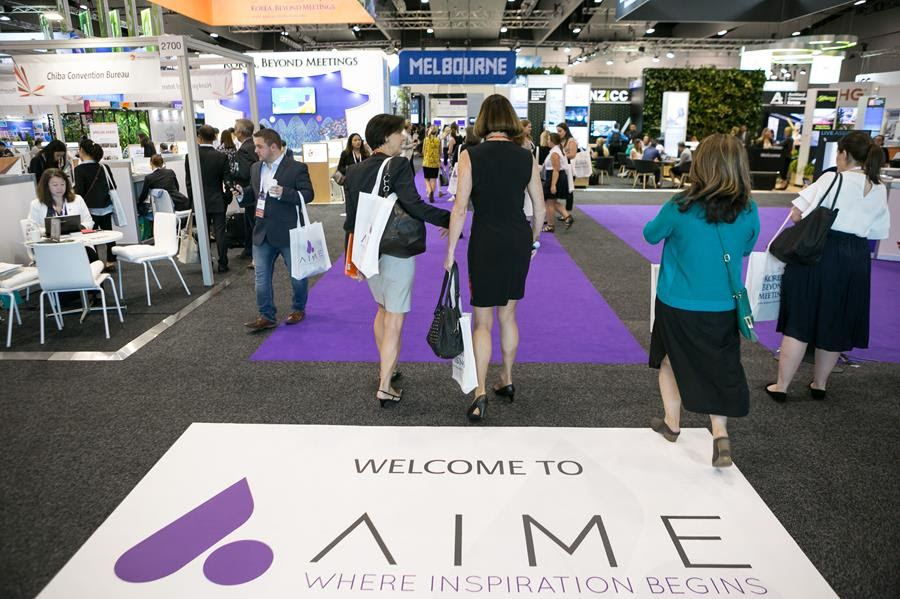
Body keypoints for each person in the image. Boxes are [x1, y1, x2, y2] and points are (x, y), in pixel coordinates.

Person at [643, 133, 761, 468]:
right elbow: (746, 248)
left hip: (676, 303)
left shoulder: (680, 205)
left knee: (668, 361)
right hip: (722, 306)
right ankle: (720, 434)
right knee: (719, 367)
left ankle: (672, 424)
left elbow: (650, 235)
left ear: (701, 164)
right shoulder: (748, 209)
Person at [766, 131, 890, 403]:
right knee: (837, 319)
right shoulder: (879, 186)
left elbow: (796, 214)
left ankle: (782, 386)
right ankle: (819, 384)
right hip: (856, 257)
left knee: (800, 319)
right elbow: (879, 230)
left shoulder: (832, 178)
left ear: (844, 154)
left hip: (820, 252)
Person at [443, 94, 546, 422]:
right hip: (517, 239)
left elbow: (460, 208)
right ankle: (507, 378)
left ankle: (480, 392)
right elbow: (540, 208)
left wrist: (450, 253)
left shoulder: (469, 155)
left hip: (485, 240)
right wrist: (532, 241)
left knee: (483, 321)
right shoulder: (526, 156)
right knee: (509, 315)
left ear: (483, 121)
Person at [343, 114, 450, 406]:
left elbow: (351, 220)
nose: (403, 137)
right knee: (395, 317)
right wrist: (449, 218)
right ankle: (385, 385)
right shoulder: (398, 164)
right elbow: (414, 205)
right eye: (399, 132)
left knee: (382, 309)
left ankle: (386, 369)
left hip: (367, 252)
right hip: (396, 249)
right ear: (386, 136)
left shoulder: (354, 171)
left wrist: (353, 258)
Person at [233, 128, 314, 331]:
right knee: (261, 277)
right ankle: (266, 315)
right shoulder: (255, 168)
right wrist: (243, 194)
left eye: (259, 146)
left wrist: (285, 193)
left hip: (289, 231)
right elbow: (256, 193)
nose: (256, 150)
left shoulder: (296, 168)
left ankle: (298, 309)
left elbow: (308, 194)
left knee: (297, 275)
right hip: (262, 231)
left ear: (274, 147)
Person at [185, 125, 230, 273]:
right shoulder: (221, 156)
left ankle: (207, 261)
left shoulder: (191, 156)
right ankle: (223, 263)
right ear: (214, 137)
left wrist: (192, 201)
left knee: (203, 232)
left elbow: (189, 183)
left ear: (199, 137)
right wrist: (226, 198)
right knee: (220, 232)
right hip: (217, 199)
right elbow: (227, 181)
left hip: (199, 200)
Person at [73, 139, 118, 268]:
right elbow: (112, 186)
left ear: (82, 150)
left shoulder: (79, 169)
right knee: (108, 235)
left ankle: (96, 263)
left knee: (90, 237)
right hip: (106, 206)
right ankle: (110, 261)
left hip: (90, 209)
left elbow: (79, 192)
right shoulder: (104, 167)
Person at [232, 118, 258, 263]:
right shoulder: (254, 146)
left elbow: (244, 173)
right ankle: (249, 250)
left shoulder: (244, 150)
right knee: (251, 222)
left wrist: (233, 175)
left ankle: (254, 254)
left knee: (252, 223)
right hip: (256, 190)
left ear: (240, 132)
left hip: (248, 192)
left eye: (235, 129)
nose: (234, 131)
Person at [542, 133, 575, 232]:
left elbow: (556, 170)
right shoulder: (557, 150)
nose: (547, 141)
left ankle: (550, 225)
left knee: (549, 202)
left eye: (548, 139)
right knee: (551, 202)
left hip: (554, 177)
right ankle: (567, 217)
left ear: (552, 141)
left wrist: (553, 185)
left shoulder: (555, 152)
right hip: (556, 177)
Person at [556, 123, 578, 213]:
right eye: (557, 131)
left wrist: (561, 156)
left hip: (569, 168)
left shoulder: (571, 141)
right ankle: (564, 212)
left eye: (560, 131)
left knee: (569, 190)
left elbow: (572, 155)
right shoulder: (561, 141)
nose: (558, 133)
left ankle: (568, 213)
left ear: (565, 131)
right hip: (562, 167)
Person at [421, 125, 441, 202]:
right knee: (433, 179)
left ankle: (430, 192)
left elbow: (423, 151)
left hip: (426, 162)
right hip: (435, 163)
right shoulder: (438, 140)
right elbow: (440, 152)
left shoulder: (426, 140)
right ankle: (431, 192)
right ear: (436, 132)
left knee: (426, 179)